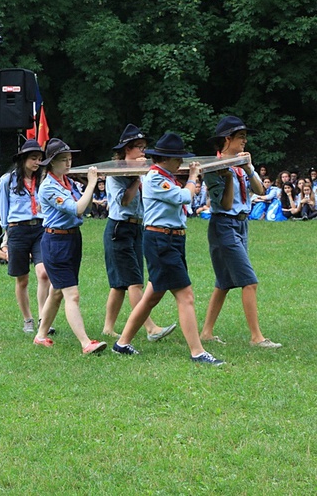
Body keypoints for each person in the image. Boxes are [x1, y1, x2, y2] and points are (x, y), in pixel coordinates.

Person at [112, 132, 224, 365]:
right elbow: (185, 196)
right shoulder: (154, 177)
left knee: (152, 296)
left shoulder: (167, 176)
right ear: (165, 159)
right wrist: (193, 176)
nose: (181, 163)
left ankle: (121, 344)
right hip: (161, 241)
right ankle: (197, 352)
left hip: (171, 240)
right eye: (178, 159)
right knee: (186, 296)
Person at [200, 116, 281, 349]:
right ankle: (257, 337)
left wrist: (248, 167)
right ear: (227, 139)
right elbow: (225, 205)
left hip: (241, 224)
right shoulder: (213, 168)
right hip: (223, 224)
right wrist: (227, 178)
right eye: (241, 137)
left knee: (224, 282)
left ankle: (206, 332)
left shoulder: (241, 162)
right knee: (249, 281)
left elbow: (260, 189)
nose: (245, 141)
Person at [102, 124, 177, 340]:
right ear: (127, 150)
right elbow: (125, 201)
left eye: (144, 147)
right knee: (134, 281)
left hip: (136, 227)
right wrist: (137, 177)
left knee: (119, 284)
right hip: (119, 228)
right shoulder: (115, 173)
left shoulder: (144, 173)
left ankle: (108, 327)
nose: (143, 152)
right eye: (139, 148)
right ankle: (150, 328)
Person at [31, 138, 105, 353]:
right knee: (71, 294)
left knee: (56, 291)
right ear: (51, 163)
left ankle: (41, 335)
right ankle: (85, 343)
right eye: (63, 160)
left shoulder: (68, 182)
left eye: (70, 159)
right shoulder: (49, 187)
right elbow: (77, 209)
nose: (68, 163)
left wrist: (87, 189)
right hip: (56, 242)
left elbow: (86, 205)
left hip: (72, 238)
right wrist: (91, 183)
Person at [0, 139, 52, 335]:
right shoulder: (7, 180)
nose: (37, 162)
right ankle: (27, 318)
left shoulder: (44, 181)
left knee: (44, 273)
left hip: (39, 228)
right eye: (33, 158)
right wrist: (6, 239)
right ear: (23, 159)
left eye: (39, 159)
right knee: (22, 279)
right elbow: (2, 211)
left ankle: (43, 318)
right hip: (17, 231)